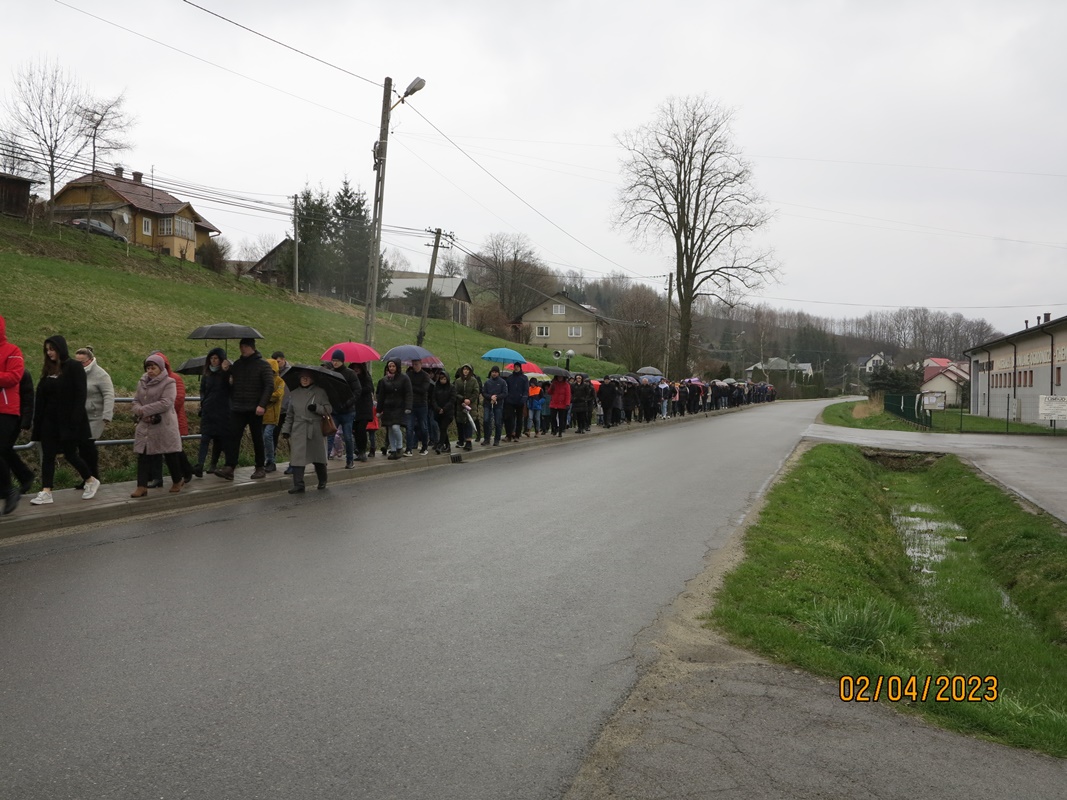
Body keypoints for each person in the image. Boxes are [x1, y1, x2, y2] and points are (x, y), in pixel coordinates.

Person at [29, 335, 99, 505]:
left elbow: (80, 394)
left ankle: (90, 480)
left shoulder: (74, 366)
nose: (49, 353)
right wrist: (37, 421)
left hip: (67, 421)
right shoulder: (48, 369)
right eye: (47, 350)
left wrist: (75, 420)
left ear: (60, 348)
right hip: (49, 421)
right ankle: (46, 491)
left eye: (52, 349)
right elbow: (42, 395)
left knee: (70, 454)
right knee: (48, 455)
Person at [214, 337, 273, 481]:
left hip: (255, 408)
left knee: (257, 438)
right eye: (241, 346)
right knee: (233, 438)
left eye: (245, 346)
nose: (242, 349)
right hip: (238, 407)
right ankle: (230, 466)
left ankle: (260, 467)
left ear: (252, 347)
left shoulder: (263, 365)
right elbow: (227, 385)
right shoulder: (237, 365)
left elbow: (269, 386)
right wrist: (225, 371)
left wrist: (262, 404)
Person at [130, 353, 186, 497]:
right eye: (148, 368)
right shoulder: (142, 382)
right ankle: (141, 486)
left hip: (164, 423)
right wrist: (139, 410)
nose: (150, 371)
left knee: (170, 453)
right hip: (146, 424)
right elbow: (136, 400)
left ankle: (177, 479)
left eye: (153, 368)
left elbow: (166, 402)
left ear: (161, 368)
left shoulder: (169, 382)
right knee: (143, 454)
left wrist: (144, 410)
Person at [280, 369, 331, 492]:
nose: (305, 379)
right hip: (299, 428)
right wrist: (286, 430)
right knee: (297, 457)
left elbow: (328, 409)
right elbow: (290, 414)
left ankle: (322, 480)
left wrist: (317, 408)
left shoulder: (320, 392)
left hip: (315, 428)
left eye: (307, 377)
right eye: (302, 377)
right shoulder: (294, 393)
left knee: (318, 457)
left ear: (313, 379)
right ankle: (298, 484)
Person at [74, 346, 114, 485]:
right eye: (77, 362)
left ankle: (93, 476)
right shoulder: (75, 373)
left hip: (95, 416)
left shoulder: (101, 375)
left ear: (90, 360)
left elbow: (108, 394)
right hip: (80, 416)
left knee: (88, 445)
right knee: (82, 448)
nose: (79, 365)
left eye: (82, 362)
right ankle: (88, 478)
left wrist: (107, 415)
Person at [0, 315, 25, 515]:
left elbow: (14, 377)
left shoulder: (12, 350)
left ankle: (9, 490)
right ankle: (8, 488)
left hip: (6, 410)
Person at [196, 347, 230, 475]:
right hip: (208, 410)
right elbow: (202, 390)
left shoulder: (226, 373)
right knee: (205, 438)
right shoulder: (207, 374)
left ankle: (213, 465)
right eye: (211, 358)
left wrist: (226, 371)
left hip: (222, 411)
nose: (213, 361)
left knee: (218, 439)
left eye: (216, 358)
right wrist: (203, 402)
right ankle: (200, 465)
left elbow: (230, 388)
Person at [327, 350, 361, 468]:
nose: (335, 363)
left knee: (347, 436)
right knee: (329, 435)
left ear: (342, 361)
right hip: (334, 410)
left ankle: (350, 460)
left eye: (337, 360)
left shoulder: (350, 374)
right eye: (333, 360)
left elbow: (357, 391)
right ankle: (323, 461)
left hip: (348, 411)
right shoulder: (330, 373)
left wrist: (348, 403)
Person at [376, 358, 412, 460]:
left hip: (399, 407)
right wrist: (379, 410)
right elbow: (381, 396)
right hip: (388, 408)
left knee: (396, 427)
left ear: (397, 367)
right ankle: (393, 450)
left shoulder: (404, 378)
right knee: (390, 429)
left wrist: (408, 406)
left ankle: (399, 447)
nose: (391, 368)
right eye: (390, 366)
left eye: (393, 366)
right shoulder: (384, 380)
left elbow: (408, 393)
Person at [262, 357, 286, 472]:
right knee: (262, 438)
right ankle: (263, 460)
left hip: (273, 414)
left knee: (268, 435)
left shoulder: (279, 381)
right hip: (261, 414)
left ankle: (271, 460)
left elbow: (278, 395)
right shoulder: (261, 380)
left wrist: (264, 397)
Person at [405, 358, 432, 456]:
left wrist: (412, 387)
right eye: (413, 364)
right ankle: (408, 448)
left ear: (421, 364)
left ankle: (424, 447)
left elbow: (423, 389)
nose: (415, 366)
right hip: (411, 404)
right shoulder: (409, 375)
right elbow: (406, 388)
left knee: (423, 427)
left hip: (422, 405)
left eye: (416, 364)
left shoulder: (425, 376)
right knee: (409, 427)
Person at [351, 362, 375, 462]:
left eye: (358, 368)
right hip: (354, 408)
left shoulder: (366, 377)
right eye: (354, 368)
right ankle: (359, 451)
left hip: (364, 408)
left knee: (361, 429)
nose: (356, 369)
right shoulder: (351, 378)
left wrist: (358, 389)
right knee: (356, 430)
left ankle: (362, 451)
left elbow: (369, 388)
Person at [453, 364, 480, 451]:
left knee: (469, 422)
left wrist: (470, 400)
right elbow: (455, 392)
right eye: (464, 369)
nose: (466, 371)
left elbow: (476, 392)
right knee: (461, 422)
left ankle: (468, 441)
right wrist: (462, 399)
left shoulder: (474, 381)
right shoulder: (458, 381)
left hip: (470, 405)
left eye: (467, 370)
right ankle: (461, 439)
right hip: (461, 405)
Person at [480, 365, 507, 446]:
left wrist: (496, 397)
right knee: (486, 421)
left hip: (498, 405)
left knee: (498, 422)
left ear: (498, 373)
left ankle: (497, 439)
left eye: (495, 372)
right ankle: (486, 439)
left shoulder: (502, 382)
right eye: (493, 372)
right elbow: (483, 392)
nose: (494, 374)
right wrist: (490, 397)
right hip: (487, 404)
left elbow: (505, 393)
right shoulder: (487, 382)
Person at [502, 363, 529, 442]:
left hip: (520, 401)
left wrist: (523, 399)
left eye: (517, 367)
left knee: (519, 419)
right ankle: (508, 435)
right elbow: (506, 389)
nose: (516, 368)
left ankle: (517, 435)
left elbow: (526, 390)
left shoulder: (524, 378)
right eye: (515, 367)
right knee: (508, 418)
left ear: (520, 368)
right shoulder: (510, 377)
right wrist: (507, 398)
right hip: (510, 401)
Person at [432, 370, 456, 454]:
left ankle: (440, 445)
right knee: (442, 429)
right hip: (438, 412)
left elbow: (452, 400)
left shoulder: (451, 387)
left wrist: (444, 409)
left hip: (448, 412)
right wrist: (438, 408)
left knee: (443, 427)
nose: (443, 380)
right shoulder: (436, 387)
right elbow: (433, 399)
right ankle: (448, 445)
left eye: (444, 379)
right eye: (441, 379)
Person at [546, 374, 571, 439]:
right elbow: (549, 392)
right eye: (558, 376)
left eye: (561, 376)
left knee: (561, 418)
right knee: (553, 417)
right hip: (554, 403)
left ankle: (560, 431)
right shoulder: (554, 384)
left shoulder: (566, 385)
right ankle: (555, 429)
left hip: (562, 404)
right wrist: (551, 387)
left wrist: (567, 404)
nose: (560, 378)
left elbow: (568, 395)